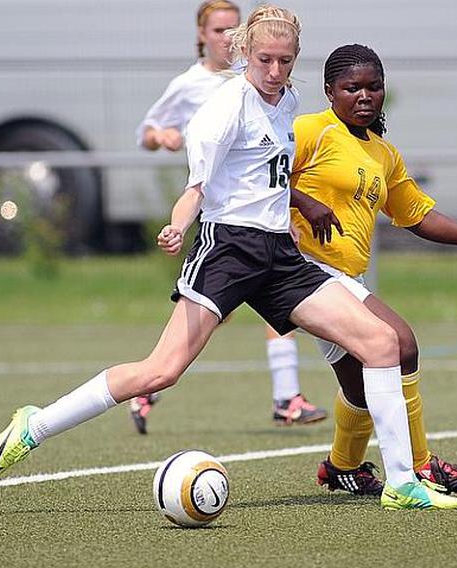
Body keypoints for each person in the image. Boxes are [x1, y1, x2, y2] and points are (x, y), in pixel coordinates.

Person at [0, 4, 457, 512]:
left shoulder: (289, 99)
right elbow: (197, 188)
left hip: (281, 254)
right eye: (264, 61)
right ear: (244, 55)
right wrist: (176, 224)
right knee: (160, 372)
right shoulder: (222, 109)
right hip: (227, 250)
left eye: (284, 61)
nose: (274, 72)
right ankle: (35, 424)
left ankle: (402, 483)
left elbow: (274, 179)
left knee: (382, 342)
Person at [285, 44, 457, 496]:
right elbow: (262, 174)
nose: (364, 96)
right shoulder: (309, 130)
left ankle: (342, 467)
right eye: (351, 87)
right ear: (329, 91)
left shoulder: (383, 154)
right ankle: (421, 466)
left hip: (343, 279)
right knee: (400, 343)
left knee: (360, 386)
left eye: (373, 87)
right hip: (306, 271)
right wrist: (302, 203)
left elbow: (419, 216)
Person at [133, 0, 326, 434]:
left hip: (266, 226)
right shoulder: (195, 86)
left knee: (283, 308)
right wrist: (159, 137)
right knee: (204, 327)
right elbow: (148, 132)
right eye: (217, 29)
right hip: (222, 219)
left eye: (231, 28)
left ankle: (286, 397)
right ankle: (150, 384)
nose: (225, 36)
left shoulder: (276, 88)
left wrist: (287, 210)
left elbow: (270, 160)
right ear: (202, 35)